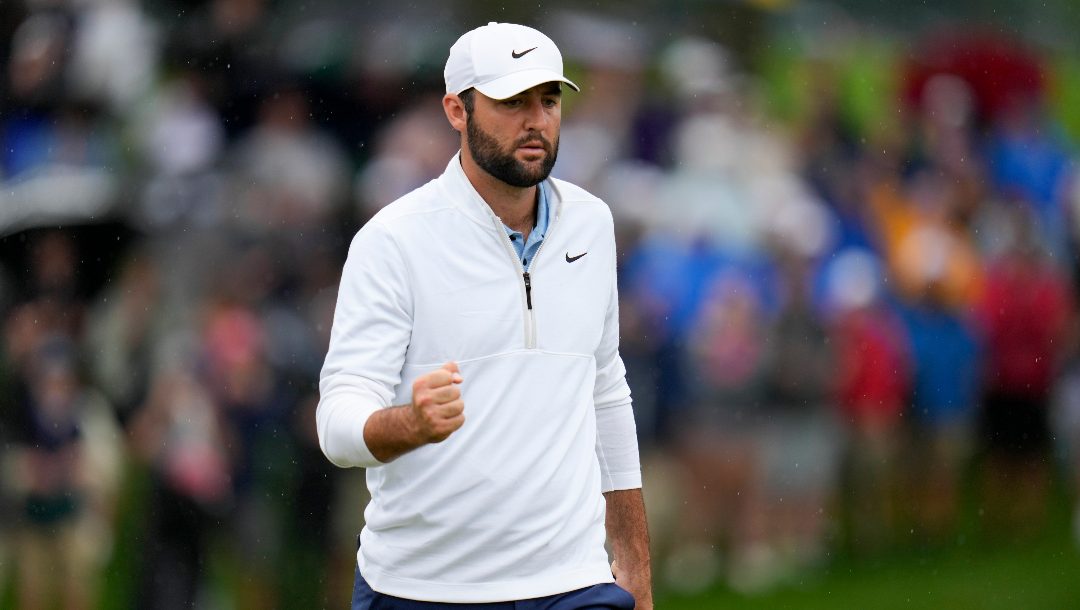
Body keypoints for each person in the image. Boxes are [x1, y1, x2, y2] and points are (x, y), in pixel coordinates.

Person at [317, 22, 652, 610]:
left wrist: (633, 565)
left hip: (572, 581)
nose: (536, 120)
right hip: (421, 588)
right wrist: (408, 424)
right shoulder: (392, 240)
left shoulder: (592, 223)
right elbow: (338, 423)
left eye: (548, 101)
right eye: (511, 102)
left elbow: (605, 388)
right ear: (456, 110)